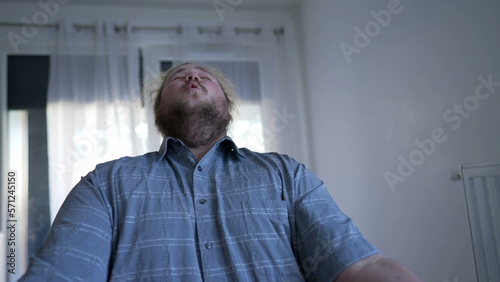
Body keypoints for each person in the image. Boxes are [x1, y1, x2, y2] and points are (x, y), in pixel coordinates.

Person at [20, 63, 422, 281]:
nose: (192, 76)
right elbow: (61, 273)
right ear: (159, 112)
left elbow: (359, 264)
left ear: (227, 108)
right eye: (179, 77)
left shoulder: (287, 174)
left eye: (204, 77)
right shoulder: (105, 183)